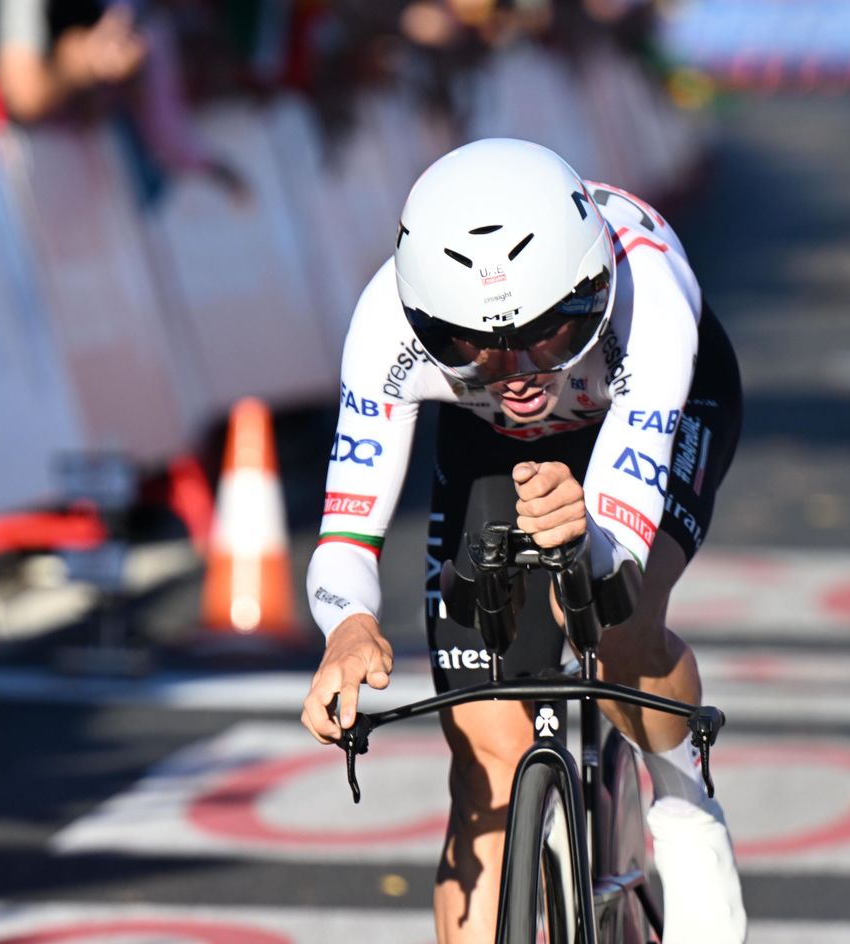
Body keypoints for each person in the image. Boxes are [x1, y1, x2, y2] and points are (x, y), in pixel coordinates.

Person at [300, 137, 746, 944]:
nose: (516, 370)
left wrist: (589, 540)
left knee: (618, 623)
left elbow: (618, 539)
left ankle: (685, 807)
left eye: (551, 331)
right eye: (470, 346)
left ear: (595, 288)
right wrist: (347, 626)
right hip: (488, 450)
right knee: (486, 768)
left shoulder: (652, 294)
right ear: (424, 318)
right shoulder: (385, 326)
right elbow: (345, 533)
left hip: (636, 424)